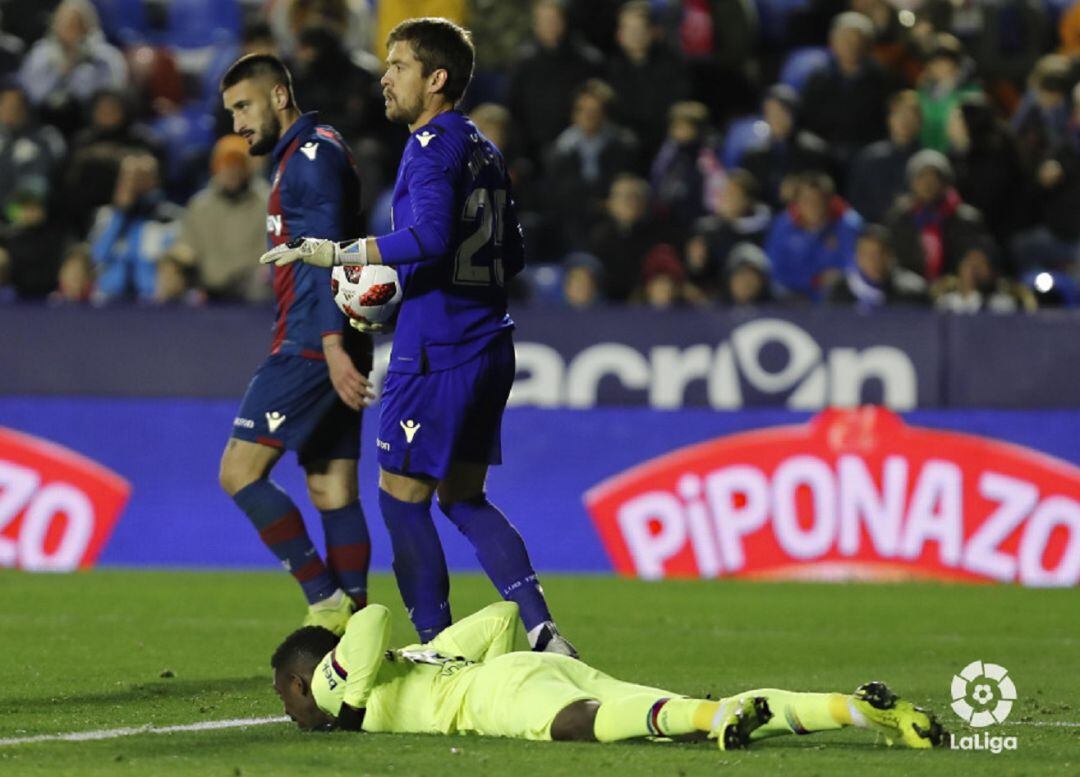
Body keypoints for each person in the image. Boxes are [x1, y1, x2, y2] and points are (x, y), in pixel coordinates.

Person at [261, 18, 576, 656]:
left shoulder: (431, 144)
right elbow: (510, 254)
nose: (385, 77)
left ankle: (435, 645)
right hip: (491, 343)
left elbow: (430, 237)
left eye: (398, 65)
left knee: (403, 500)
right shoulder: (483, 148)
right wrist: (394, 292)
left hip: (439, 353)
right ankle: (544, 631)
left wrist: (339, 254)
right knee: (462, 497)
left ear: (436, 79)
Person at [270, 600, 945, 752]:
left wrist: (349, 687)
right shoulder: (419, 654)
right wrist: (473, 664)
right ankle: (856, 709)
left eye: (285, 696)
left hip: (500, 695)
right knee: (674, 709)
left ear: (304, 682)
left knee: (583, 728)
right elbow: (502, 614)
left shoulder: (336, 691)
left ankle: (715, 721)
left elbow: (373, 614)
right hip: (531, 666)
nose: (291, 710)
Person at [217, 54, 374, 635]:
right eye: (230, 112)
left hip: (313, 339)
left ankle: (326, 600)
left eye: (243, 106)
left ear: (280, 96)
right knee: (330, 485)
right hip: (334, 335)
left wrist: (331, 346)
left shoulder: (310, 159)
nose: (236, 124)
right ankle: (355, 627)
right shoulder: (312, 151)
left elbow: (328, 252)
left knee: (239, 472)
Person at [166, 134, 272, 302]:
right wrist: (175, 262)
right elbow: (186, 247)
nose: (232, 171)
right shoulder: (200, 205)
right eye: (226, 165)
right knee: (171, 276)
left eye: (238, 164)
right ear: (215, 168)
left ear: (248, 168)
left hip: (252, 284)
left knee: (261, 286)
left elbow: (277, 248)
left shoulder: (268, 202)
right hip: (208, 286)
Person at [826, 225, 927, 309]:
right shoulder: (841, 293)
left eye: (878, 254)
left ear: (890, 256)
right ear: (857, 257)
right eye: (866, 255)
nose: (872, 261)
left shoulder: (911, 292)